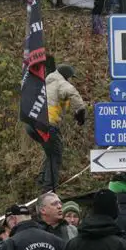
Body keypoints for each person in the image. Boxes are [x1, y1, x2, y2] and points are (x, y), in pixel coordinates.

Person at [27, 64, 85, 192]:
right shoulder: (60, 82)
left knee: (51, 152)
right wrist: (80, 113)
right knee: (56, 156)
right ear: (66, 76)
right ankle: (48, 189)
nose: (71, 80)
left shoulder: (44, 83)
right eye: (70, 78)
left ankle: (43, 180)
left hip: (31, 125)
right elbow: (73, 94)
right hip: (46, 124)